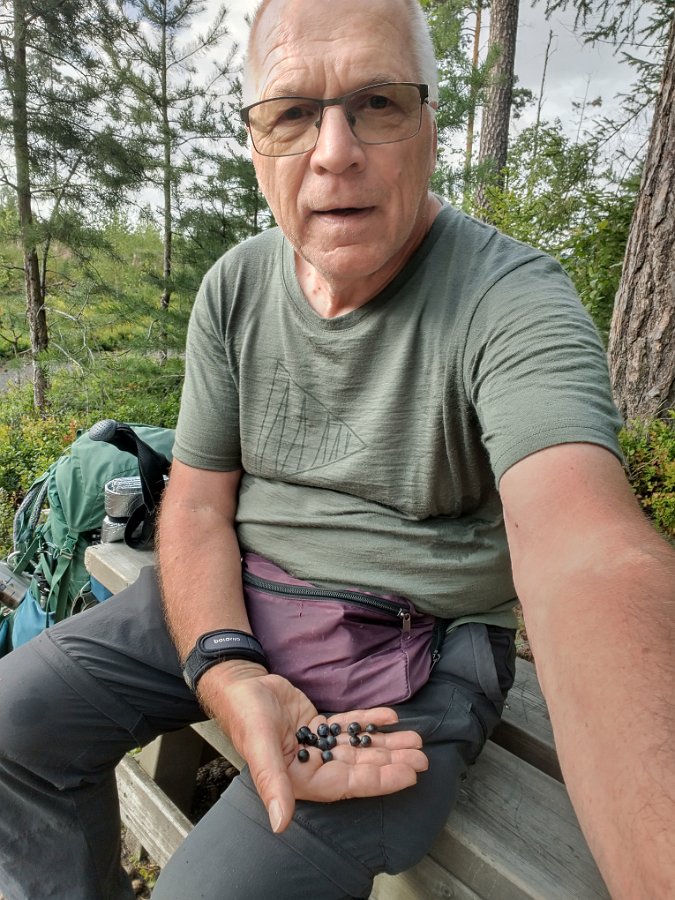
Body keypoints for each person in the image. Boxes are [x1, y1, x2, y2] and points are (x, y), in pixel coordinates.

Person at [1, 0, 673, 897]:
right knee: (13, 728)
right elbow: (196, 501)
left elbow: (587, 555)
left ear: (429, 124)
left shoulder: (510, 300)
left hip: (410, 641)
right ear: (256, 144)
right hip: (237, 591)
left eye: (377, 102)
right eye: (291, 113)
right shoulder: (237, 285)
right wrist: (225, 662)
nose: (333, 151)